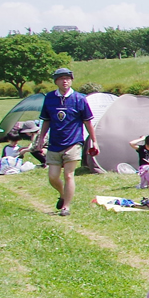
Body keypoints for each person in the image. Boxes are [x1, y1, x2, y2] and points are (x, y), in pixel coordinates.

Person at [31, 67, 99, 216]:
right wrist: (41, 138)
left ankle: (66, 207)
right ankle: (63, 194)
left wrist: (94, 141)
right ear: (56, 81)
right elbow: (46, 120)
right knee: (53, 176)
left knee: (69, 175)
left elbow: (88, 122)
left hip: (73, 142)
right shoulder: (49, 98)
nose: (65, 81)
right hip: (55, 143)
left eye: (68, 78)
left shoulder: (80, 98)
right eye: (61, 78)